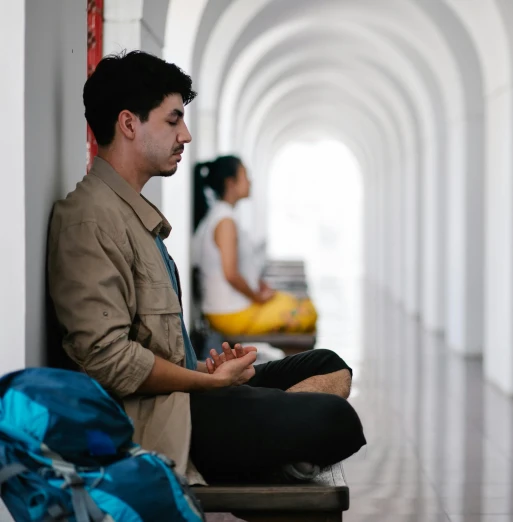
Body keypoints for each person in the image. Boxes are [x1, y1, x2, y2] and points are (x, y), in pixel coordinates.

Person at [46, 50, 365, 486]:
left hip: (189, 394)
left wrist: (206, 373)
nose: (186, 135)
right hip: (165, 422)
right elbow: (108, 362)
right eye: (173, 120)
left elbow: (152, 351)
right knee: (334, 419)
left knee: (328, 364)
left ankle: (276, 443)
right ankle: (277, 445)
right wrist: (209, 386)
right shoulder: (88, 220)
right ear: (128, 123)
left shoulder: (132, 216)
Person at [191, 156, 318, 337]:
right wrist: (257, 297)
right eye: (245, 175)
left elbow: (238, 266)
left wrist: (259, 285)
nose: (250, 181)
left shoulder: (222, 215)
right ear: (231, 183)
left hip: (235, 307)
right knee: (307, 314)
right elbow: (231, 274)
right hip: (230, 314)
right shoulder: (225, 222)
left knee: (295, 302)